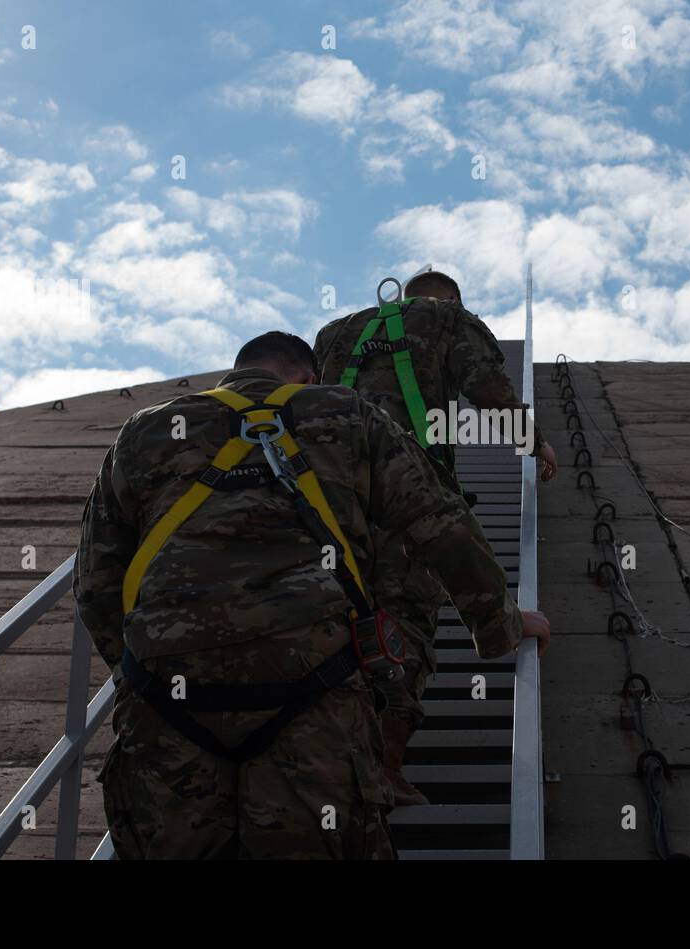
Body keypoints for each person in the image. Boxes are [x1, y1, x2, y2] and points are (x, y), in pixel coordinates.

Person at [74, 331, 550, 858]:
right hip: (313, 688)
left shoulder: (146, 430)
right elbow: (439, 522)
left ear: (234, 374)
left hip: (166, 697)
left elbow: (96, 578)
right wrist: (500, 624)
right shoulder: (345, 413)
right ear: (307, 377)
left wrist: (133, 670)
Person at [313, 269, 557, 805]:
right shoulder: (450, 320)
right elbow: (488, 390)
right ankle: (383, 772)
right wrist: (534, 442)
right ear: (454, 300)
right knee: (402, 624)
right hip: (406, 495)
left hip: (326, 504)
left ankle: (321, 762)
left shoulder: (336, 332)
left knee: (332, 619)